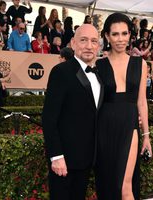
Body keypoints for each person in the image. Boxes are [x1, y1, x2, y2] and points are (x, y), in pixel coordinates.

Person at [42, 24, 103, 200]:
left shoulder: (99, 74)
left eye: (93, 41)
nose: (89, 46)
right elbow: (49, 117)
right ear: (73, 43)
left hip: (87, 159)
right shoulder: (61, 71)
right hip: (65, 160)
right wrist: (56, 156)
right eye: (83, 40)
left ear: (98, 46)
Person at [95, 13, 152, 200]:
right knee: (108, 183)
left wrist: (146, 136)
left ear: (130, 35)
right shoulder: (98, 65)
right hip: (104, 127)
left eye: (124, 33)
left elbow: (141, 101)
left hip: (129, 126)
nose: (121, 39)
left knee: (125, 186)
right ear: (107, 36)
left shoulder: (140, 64)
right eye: (115, 34)